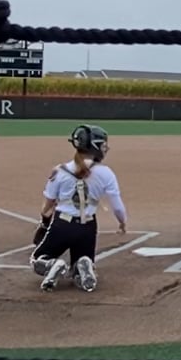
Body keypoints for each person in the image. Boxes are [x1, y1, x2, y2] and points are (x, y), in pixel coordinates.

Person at [30, 124, 129, 293]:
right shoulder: (106, 173)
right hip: (88, 227)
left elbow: (47, 207)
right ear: (94, 146)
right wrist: (122, 222)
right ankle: (83, 264)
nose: (106, 148)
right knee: (80, 262)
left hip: (62, 225)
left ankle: (53, 264)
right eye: (103, 145)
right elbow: (117, 206)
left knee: (37, 259)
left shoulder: (59, 171)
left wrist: (44, 223)